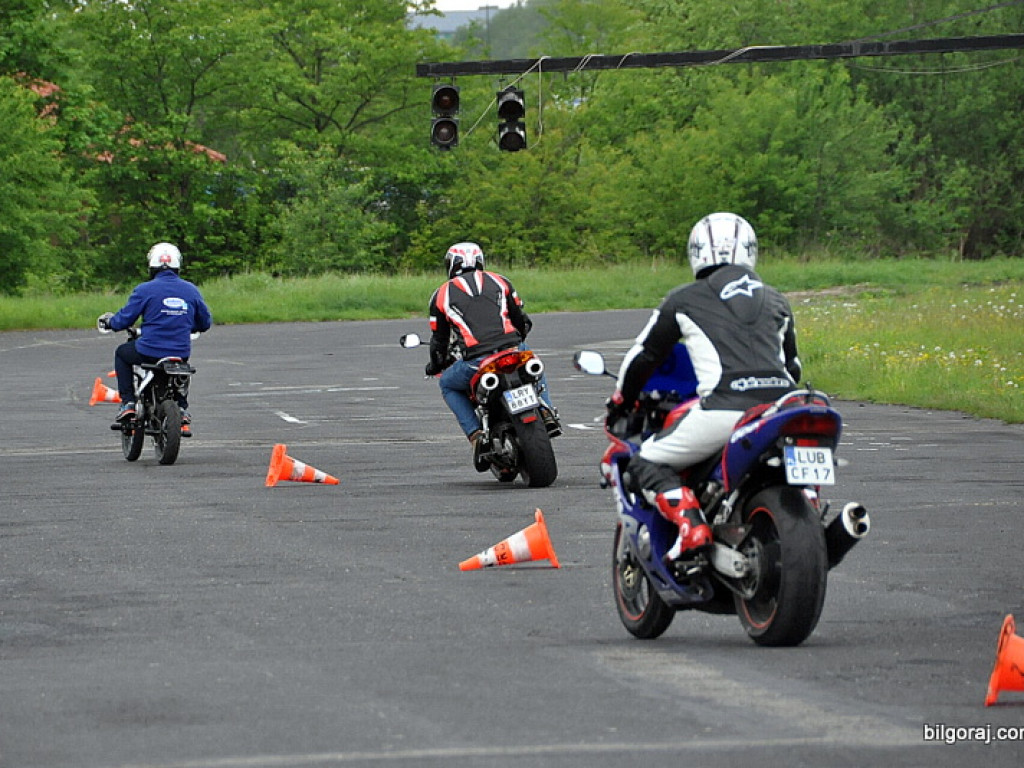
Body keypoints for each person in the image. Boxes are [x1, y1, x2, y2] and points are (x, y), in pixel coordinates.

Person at [606, 213, 801, 565]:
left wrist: (622, 399)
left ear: (696, 251)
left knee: (645, 461)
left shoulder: (684, 299)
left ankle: (691, 527)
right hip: (783, 410)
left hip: (724, 409)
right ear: (750, 249)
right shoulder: (777, 299)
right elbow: (793, 367)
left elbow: (645, 356)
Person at [426, 242, 560, 462]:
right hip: (513, 348)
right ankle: (546, 410)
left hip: (476, 360)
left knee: (447, 384)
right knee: (532, 361)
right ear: (480, 260)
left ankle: (476, 435)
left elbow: (439, 340)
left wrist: (435, 365)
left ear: (450, 265)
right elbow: (521, 320)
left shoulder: (441, 295)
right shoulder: (500, 280)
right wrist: (516, 341)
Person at [99, 242, 213, 429]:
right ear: (177, 265)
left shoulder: (144, 290)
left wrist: (111, 322)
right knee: (182, 370)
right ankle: (181, 407)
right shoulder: (191, 290)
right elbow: (205, 323)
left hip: (149, 350)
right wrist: (187, 326)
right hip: (180, 351)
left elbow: (124, 319)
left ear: (151, 265)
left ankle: (128, 402)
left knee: (122, 353)